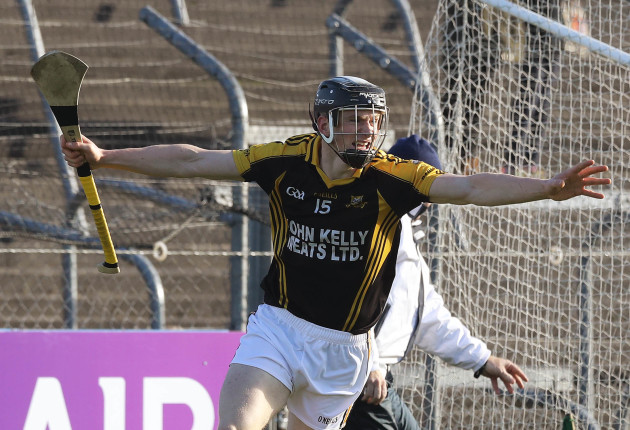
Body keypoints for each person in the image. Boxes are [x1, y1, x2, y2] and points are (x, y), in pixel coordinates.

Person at [60, 76, 610, 430]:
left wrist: (546, 188)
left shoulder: (395, 179)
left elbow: (469, 187)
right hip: (279, 329)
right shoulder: (284, 162)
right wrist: (106, 157)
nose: (365, 131)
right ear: (321, 122)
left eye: (372, 121)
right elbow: (192, 161)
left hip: (344, 355)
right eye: (352, 119)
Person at [345, 135, 527, 430]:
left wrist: (482, 360)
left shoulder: (405, 228)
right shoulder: (382, 225)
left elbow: (428, 315)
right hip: (359, 379)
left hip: (370, 380)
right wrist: (371, 365)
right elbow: (350, 300)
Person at [441, 0, 562, 175]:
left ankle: (523, 162)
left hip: (541, 28)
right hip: (472, 28)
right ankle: (460, 158)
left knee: (539, 93)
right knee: (465, 92)